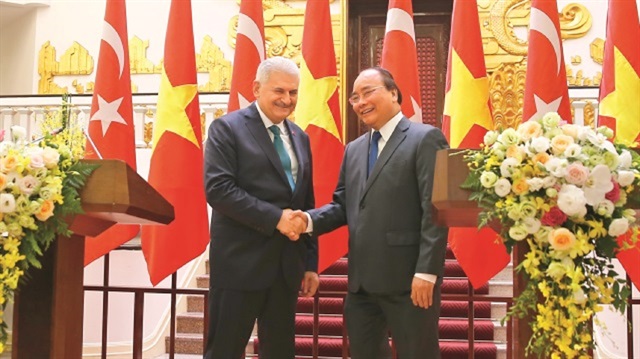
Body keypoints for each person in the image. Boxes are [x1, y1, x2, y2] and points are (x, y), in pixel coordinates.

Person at [294, 67, 450, 358]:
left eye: (368, 92)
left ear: (393, 93)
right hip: (362, 285)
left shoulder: (426, 138)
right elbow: (343, 206)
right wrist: (308, 220)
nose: (360, 102)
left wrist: (427, 272)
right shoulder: (354, 149)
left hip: (409, 281)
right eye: (354, 97)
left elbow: (436, 209)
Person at [203, 56, 319, 359]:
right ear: (257, 88)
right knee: (225, 350)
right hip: (240, 264)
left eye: (293, 92)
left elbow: (306, 204)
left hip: (286, 266)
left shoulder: (300, 137)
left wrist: (310, 263)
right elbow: (219, 190)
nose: (287, 99)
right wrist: (275, 218)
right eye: (279, 91)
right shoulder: (226, 128)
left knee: (280, 351)